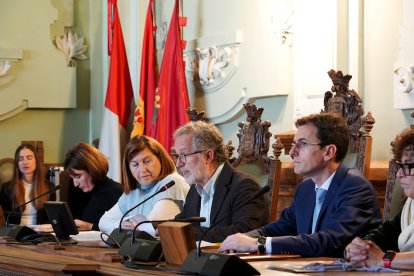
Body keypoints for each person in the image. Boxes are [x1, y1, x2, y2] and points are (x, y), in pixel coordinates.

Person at [218, 112, 382, 257]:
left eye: (302, 144)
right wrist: (239, 239)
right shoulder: (306, 189)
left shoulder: (354, 187)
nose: (291, 152)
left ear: (328, 152)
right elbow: (279, 228)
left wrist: (257, 243)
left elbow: (328, 242)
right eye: (294, 144)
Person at [173, 121, 269, 243]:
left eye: (184, 155)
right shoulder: (195, 189)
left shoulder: (244, 187)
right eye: (178, 156)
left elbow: (245, 233)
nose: (178, 163)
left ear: (208, 156)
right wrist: (157, 229)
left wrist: (188, 233)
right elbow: (181, 222)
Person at [345, 127, 414, 270]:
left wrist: (384, 259)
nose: (400, 174)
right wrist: (358, 248)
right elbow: (382, 235)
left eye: (408, 166)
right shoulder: (410, 207)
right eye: (400, 166)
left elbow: (380, 258)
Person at [99, 135, 189, 234]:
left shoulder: (172, 183)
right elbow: (103, 223)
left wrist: (126, 225)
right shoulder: (133, 191)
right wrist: (121, 225)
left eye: (147, 161)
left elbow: (152, 226)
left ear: (161, 159)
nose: (142, 170)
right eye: (135, 164)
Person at [64, 142, 123, 230]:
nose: (75, 184)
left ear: (92, 169)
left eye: (78, 176)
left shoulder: (117, 192)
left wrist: (91, 226)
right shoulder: (79, 192)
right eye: (72, 178)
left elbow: (123, 230)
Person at [0, 143, 56, 225]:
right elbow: (4, 220)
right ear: (17, 164)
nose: (25, 162)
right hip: (16, 234)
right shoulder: (7, 188)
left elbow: (51, 218)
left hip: (40, 234)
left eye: (29, 158)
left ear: (36, 161)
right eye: (20, 159)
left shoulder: (49, 187)